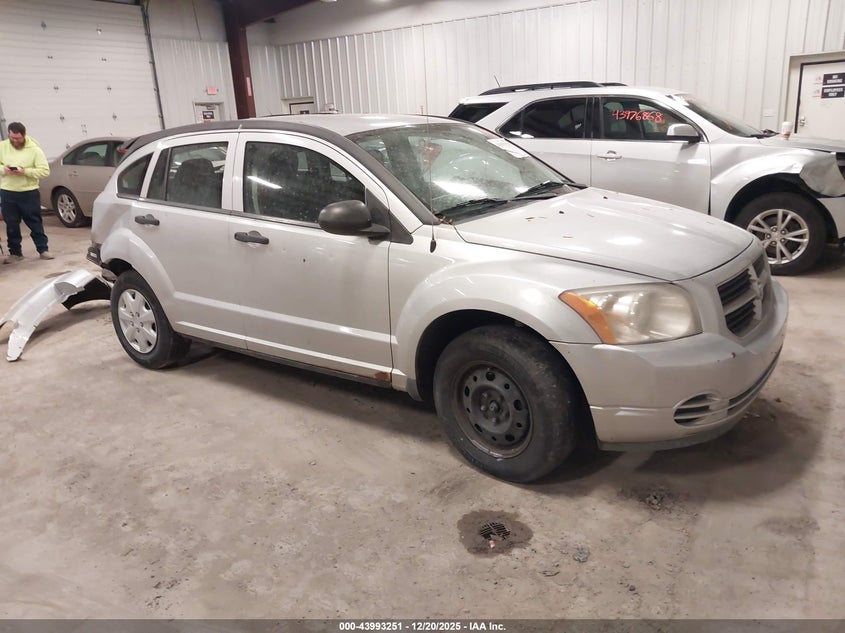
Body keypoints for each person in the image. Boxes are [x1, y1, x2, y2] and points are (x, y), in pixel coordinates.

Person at [0, 122, 53, 264]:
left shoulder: (35, 150)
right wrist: (4, 170)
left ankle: (43, 250)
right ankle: (15, 253)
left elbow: (44, 171)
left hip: (29, 192)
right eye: (12, 138)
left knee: (34, 221)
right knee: (11, 224)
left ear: (24, 135)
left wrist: (25, 172)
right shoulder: (2, 147)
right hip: (8, 192)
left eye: (18, 138)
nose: (15, 141)